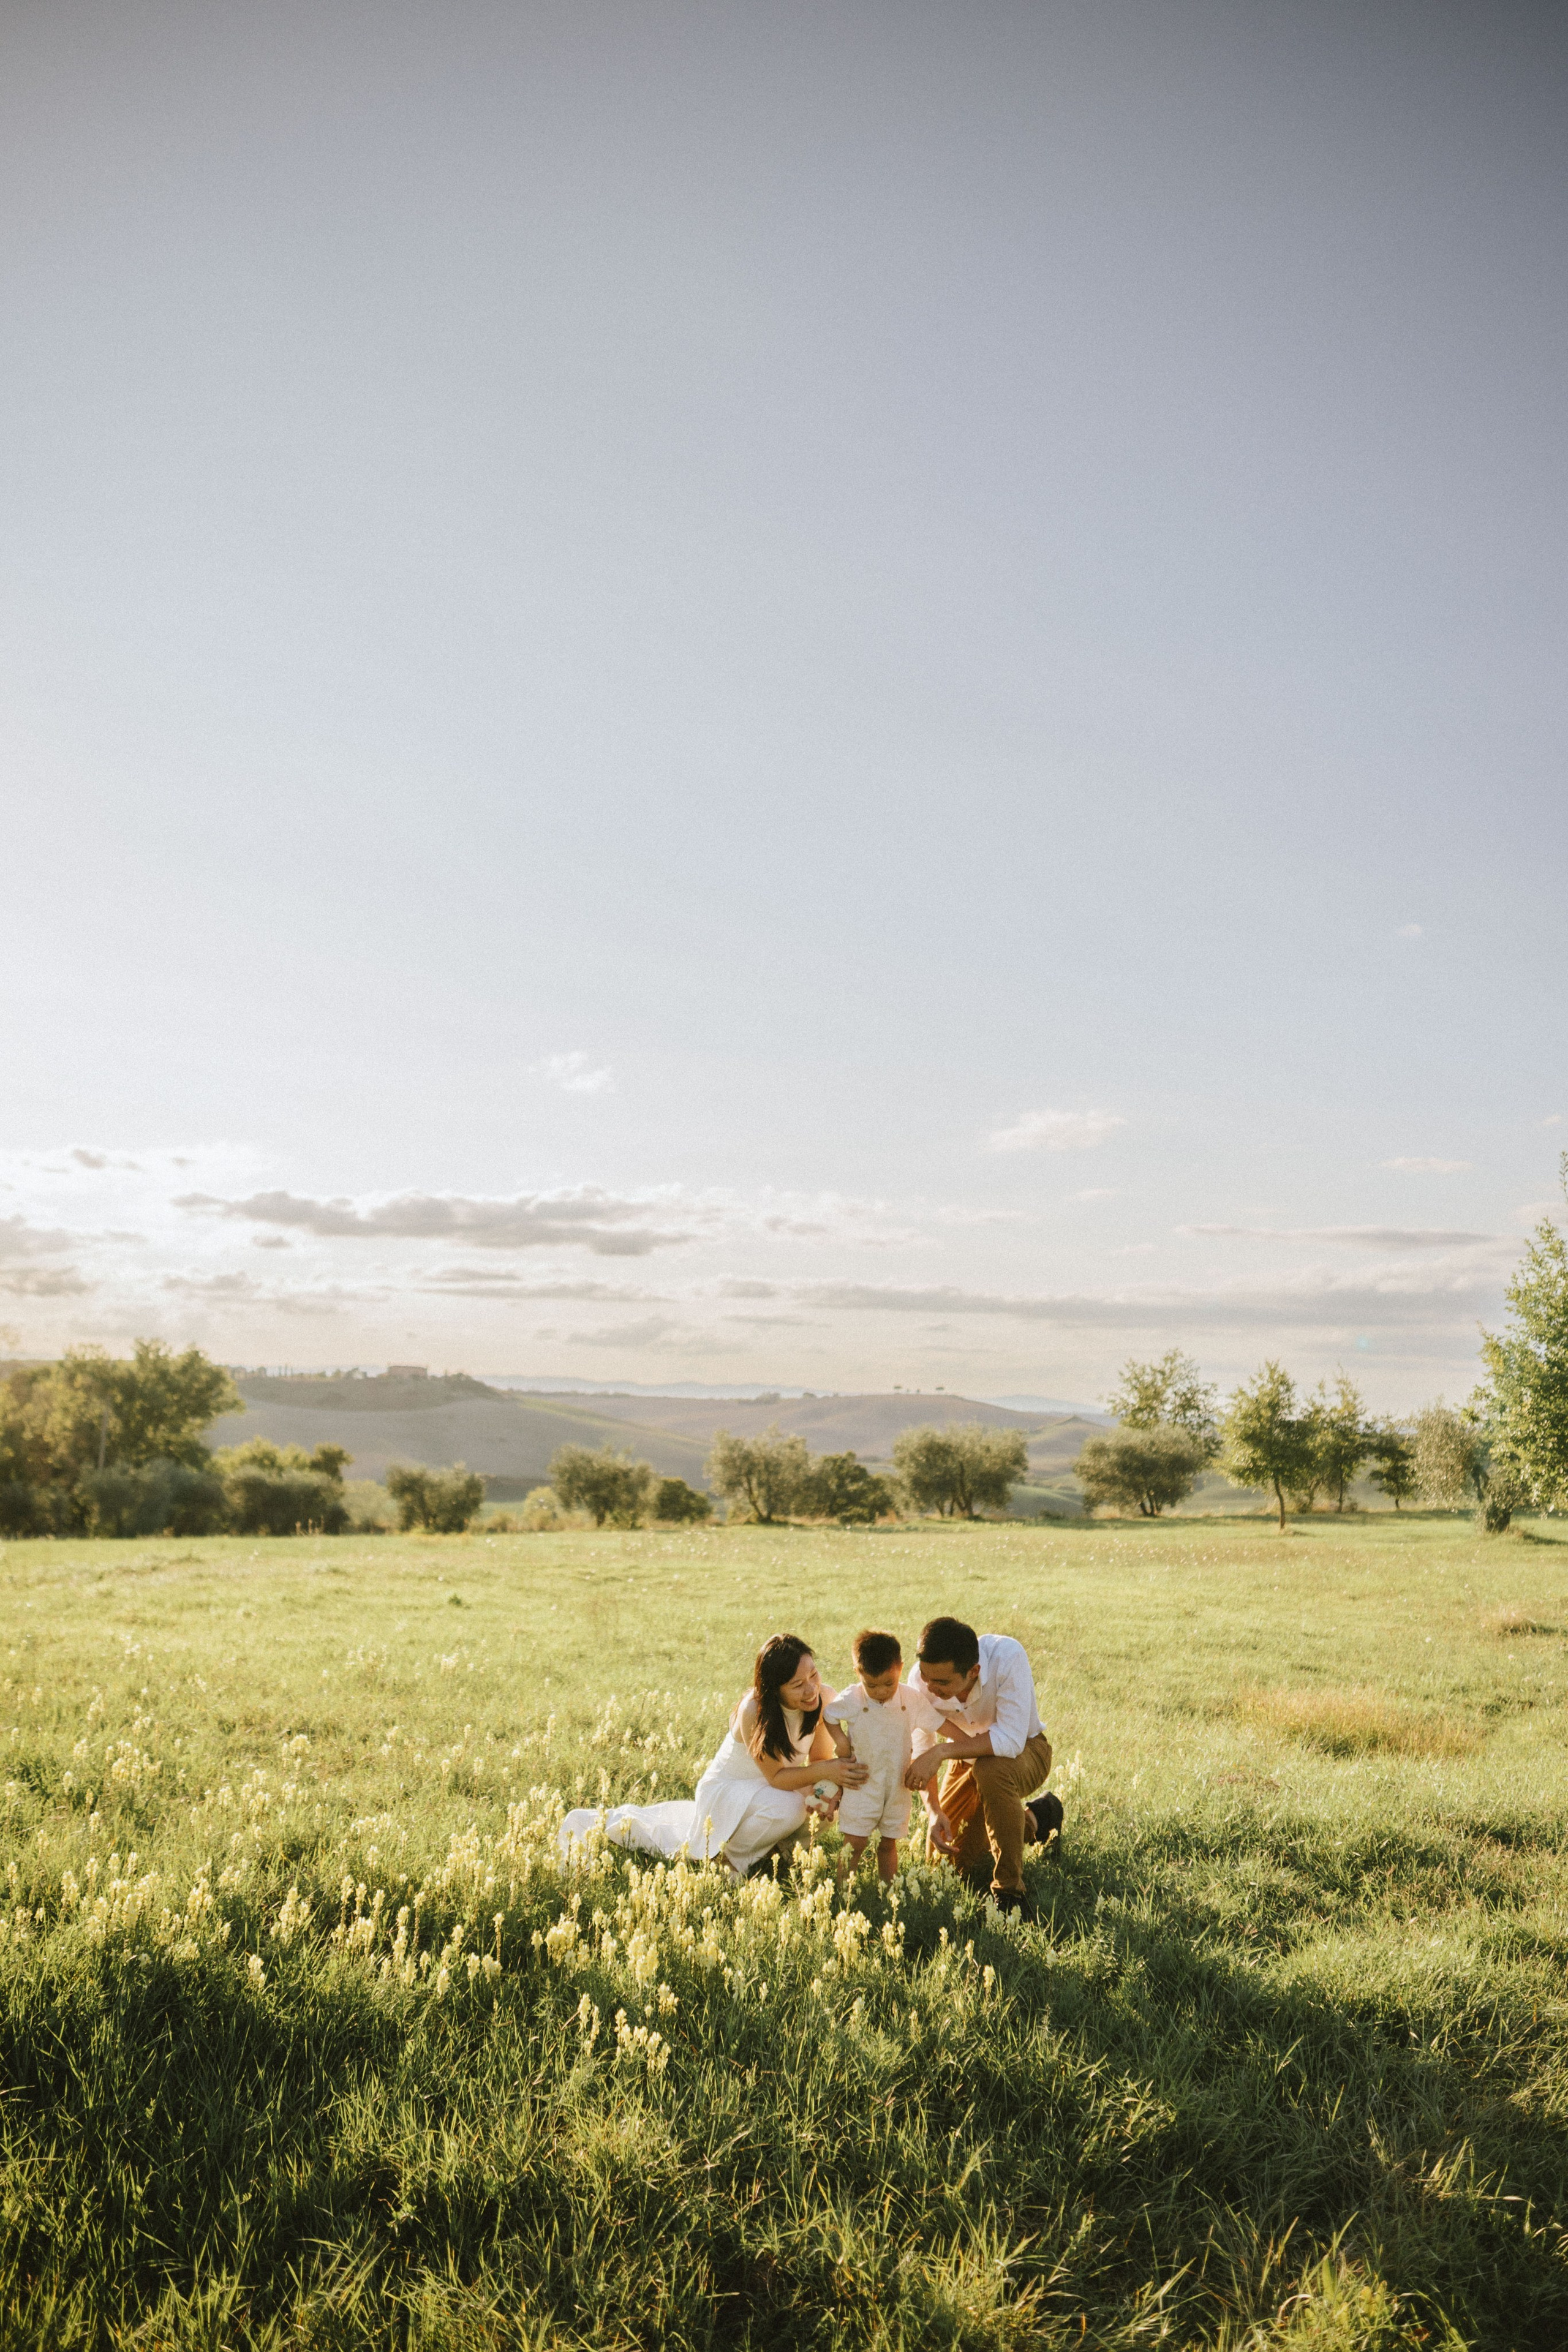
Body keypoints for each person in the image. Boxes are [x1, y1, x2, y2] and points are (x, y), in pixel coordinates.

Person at [559, 1634, 868, 1880]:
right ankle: (725, 1861)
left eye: (813, 1674)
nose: (811, 1688)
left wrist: (828, 1789)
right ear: (775, 1690)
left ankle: (777, 1856)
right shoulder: (755, 1710)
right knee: (790, 1808)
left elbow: (817, 1764)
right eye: (798, 1685)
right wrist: (827, 1772)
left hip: (771, 1790)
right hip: (730, 1789)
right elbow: (777, 1777)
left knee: (824, 1803)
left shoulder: (825, 1697)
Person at [903, 1614, 1058, 1918]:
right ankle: (1040, 1816)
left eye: (942, 1682)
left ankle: (1009, 1893)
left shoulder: (1008, 1656)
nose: (930, 1687)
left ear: (973, 1671)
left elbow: (1011, 1740)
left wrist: (943, 1752)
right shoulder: (920, 1681)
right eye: (926, 1677)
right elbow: (923, 1753)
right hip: (965, 1759)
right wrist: (934, 1812)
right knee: (949, 1864)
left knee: (991, 1771)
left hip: (1024, 1753)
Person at [822, 1627, 946, 1882]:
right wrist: (841, 1741)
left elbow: (938, 1723)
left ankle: (888, 1889)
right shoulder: (854, 1698)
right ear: (858, 1673)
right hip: (862, 1783)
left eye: (888, 1683)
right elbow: (829, 1715)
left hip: (897, 1783)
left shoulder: (911, 1699)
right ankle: (841, 1891)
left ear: (900, 1668)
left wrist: (970, 1742)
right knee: (854, 1842)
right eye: (872, 1685)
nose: (880, 1691)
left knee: (888, 1844)